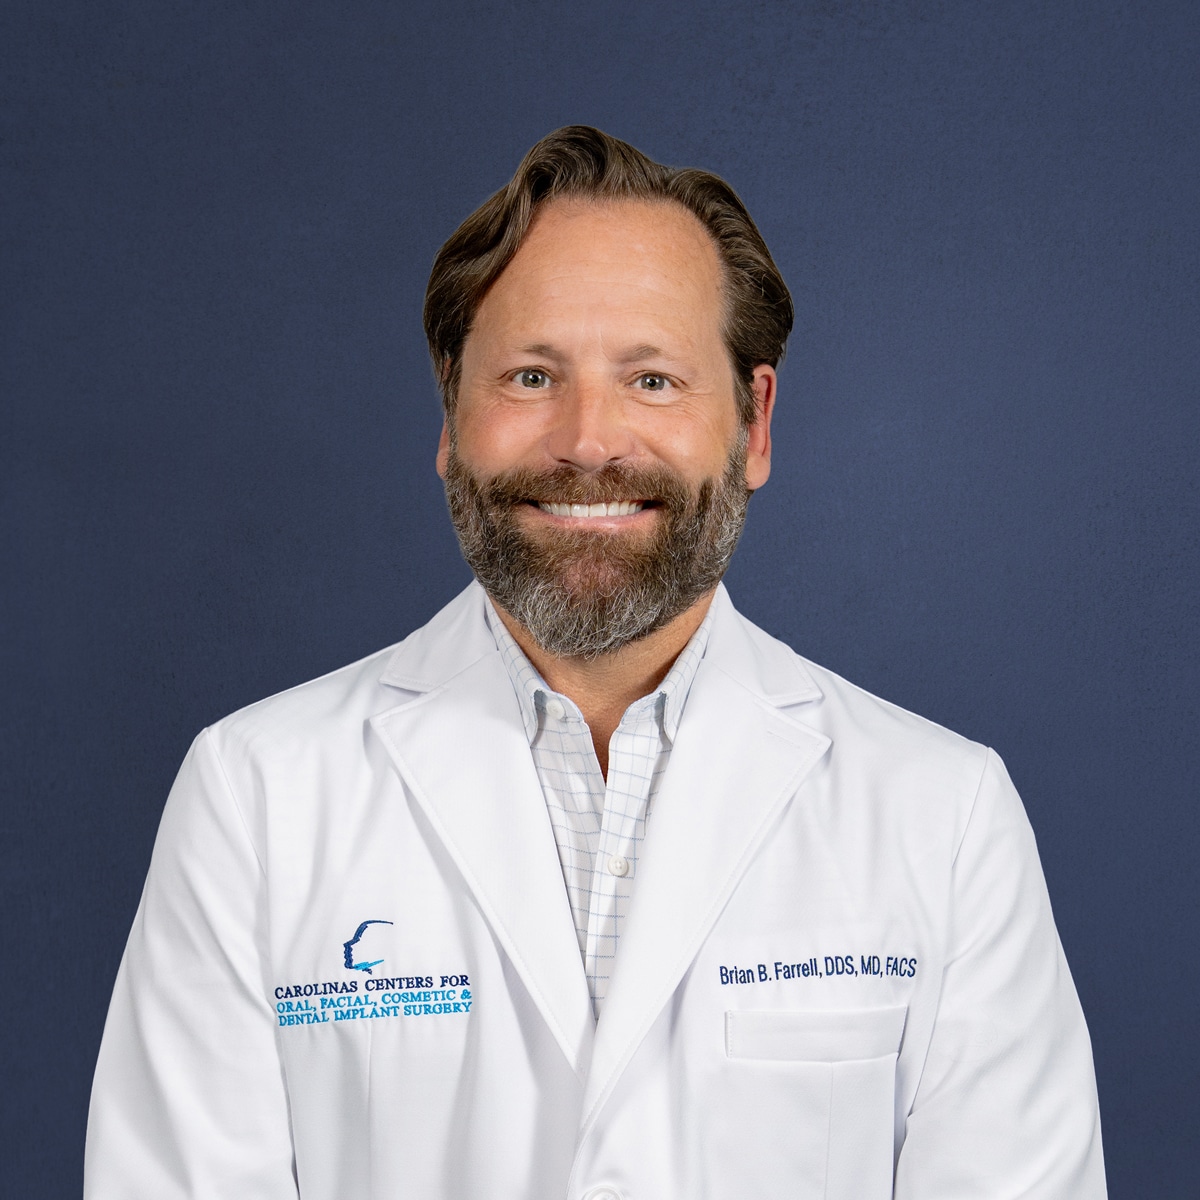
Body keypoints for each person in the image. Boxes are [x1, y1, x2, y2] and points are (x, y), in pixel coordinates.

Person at [84, 126, 1106, 1199]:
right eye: (531, 375)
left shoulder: (942, 818)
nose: (586, 441)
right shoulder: (255, 797)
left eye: (654, 380)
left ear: (754, 425)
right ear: (450, 414)